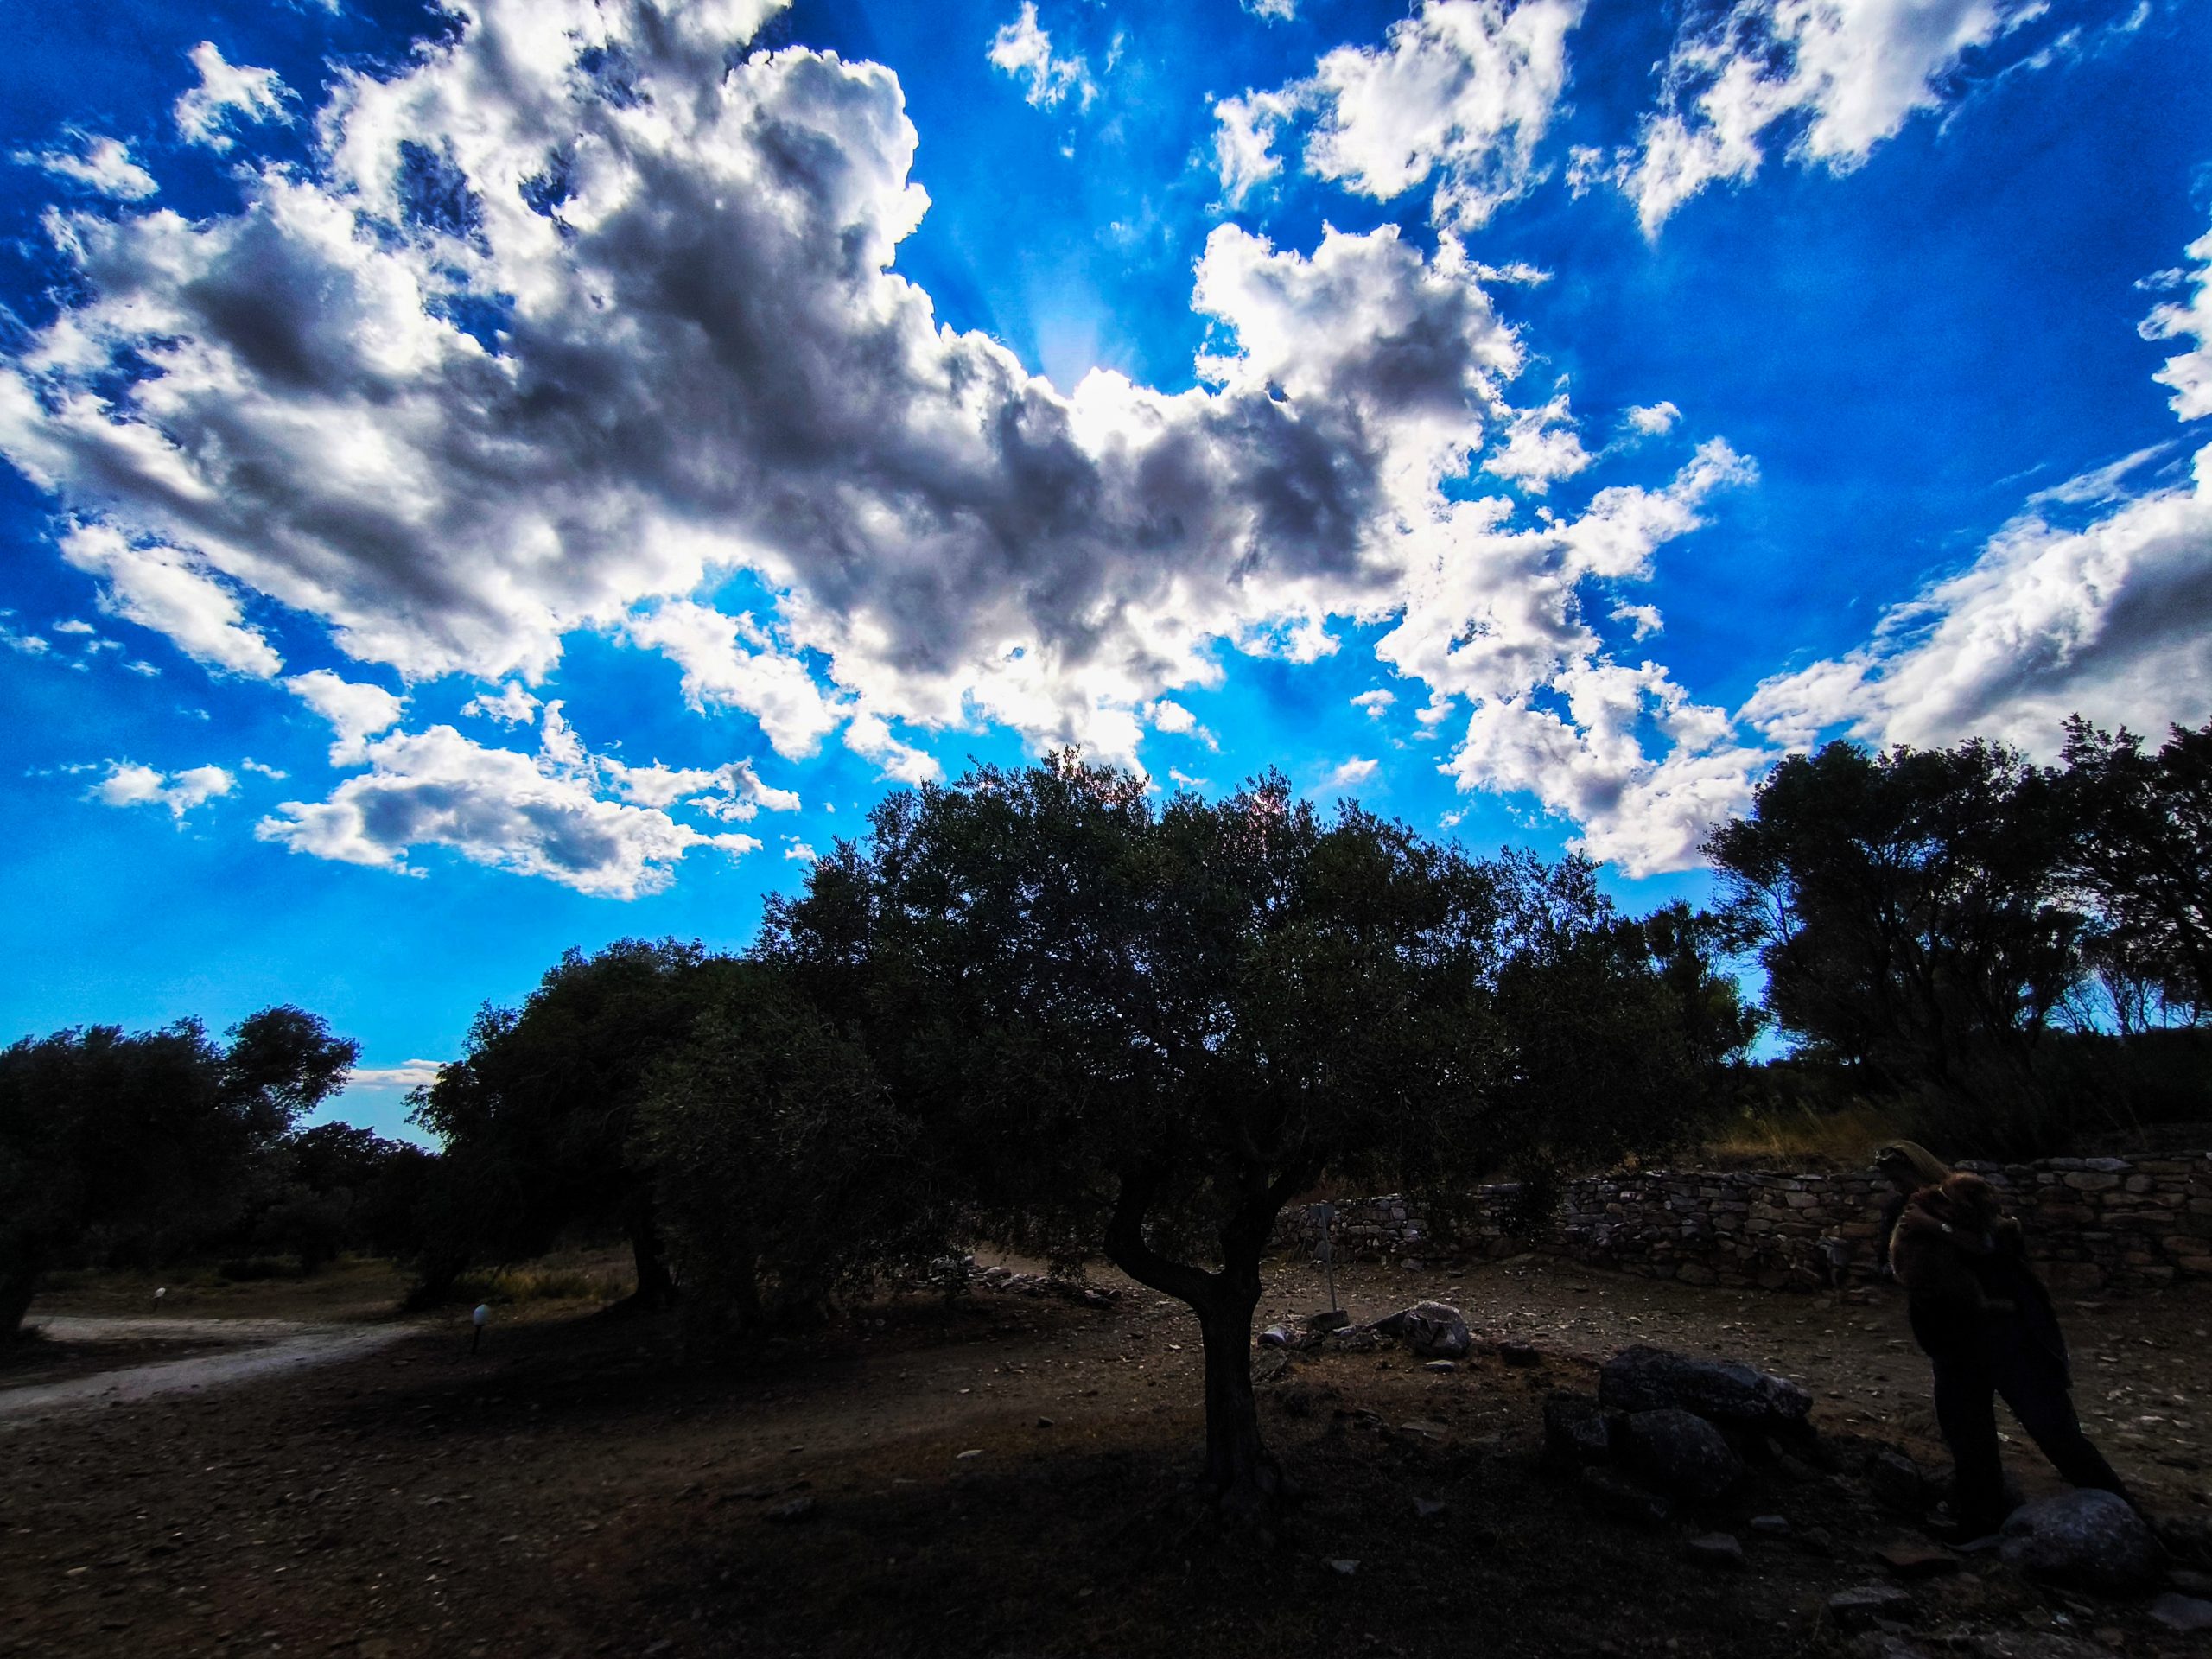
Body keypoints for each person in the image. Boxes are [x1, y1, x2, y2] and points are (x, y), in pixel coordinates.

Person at [1874, 1141, 2134, 1540]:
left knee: (2052, 1427)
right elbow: (1890, 1264)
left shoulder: (1965, 1197)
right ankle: (1980, 1521)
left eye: (1902, 1177)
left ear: (1920, 1170)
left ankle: (2125, 1514)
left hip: (2008, 1335)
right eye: (1892, 1180)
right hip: (1952, 1338)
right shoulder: (1901, 1211)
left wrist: (1935, 1227)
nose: (1898, 1185)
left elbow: (1995, 1247)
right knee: (1967, 1434)